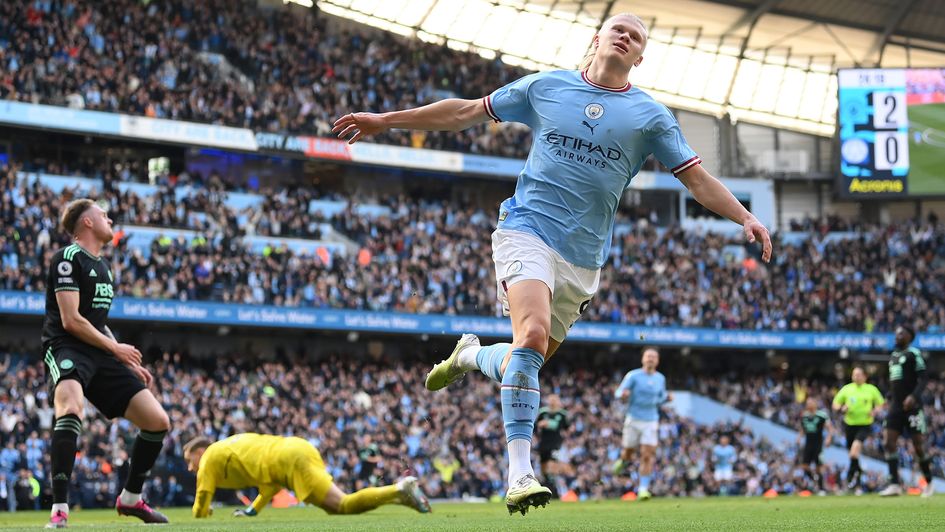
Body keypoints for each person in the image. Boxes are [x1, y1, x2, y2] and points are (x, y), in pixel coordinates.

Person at [334, 12, 772, 515]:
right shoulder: (546, 87)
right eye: (617, 30)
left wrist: (744, 215)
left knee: (527, 356)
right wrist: (385, 121)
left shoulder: (650, 117)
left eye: (636, 37)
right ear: (597, 40)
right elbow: (464, 113)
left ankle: (471, 356)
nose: (625, 37)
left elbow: (696, 180)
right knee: (534, 335)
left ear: (640, 57)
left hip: (584, 259)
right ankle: (519, 473)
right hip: (526, 230)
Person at [41, 199, 170, 528]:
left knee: (157, 421)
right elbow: (71, 320)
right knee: (70, 408)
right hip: (67, 346)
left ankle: (130, 499)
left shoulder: (104, 268)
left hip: (100, 352)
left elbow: (97, 322)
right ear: (86, 222)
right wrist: (116, 348)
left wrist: (122, 359)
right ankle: (59, 508)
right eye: (102, 214)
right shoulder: (67, 259)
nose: (109, 218)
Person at [184, 433, 431, 518]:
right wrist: (252, 511)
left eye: (189, 459)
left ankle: (399, 489)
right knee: (338, 505)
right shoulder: (231, 447)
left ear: (200, 451)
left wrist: (206, 512)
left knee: (341, 505)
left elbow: (200, 506)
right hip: (296, 448)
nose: (190, 467)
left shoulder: (208, 458)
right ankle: (401, 496)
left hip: (289, 461)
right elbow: (268, 486)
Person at [879, 325, 934, 497]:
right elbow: (895, 382)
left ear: (910, 336)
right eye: (896, 333)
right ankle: (895, 484)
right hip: (895, 406)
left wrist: (913, 397)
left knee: (917, 445)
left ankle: (929, 482)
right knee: (888, 442)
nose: (897, 336)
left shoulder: (914, 353)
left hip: (912, 408)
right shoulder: (893, 356)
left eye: (901, 333)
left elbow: (924, 378)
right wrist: (890, 395)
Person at [611, 347, 671, 500]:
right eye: (648, 356)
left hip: (651, 420)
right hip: (633, 419)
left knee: (647, 455)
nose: (650, 358)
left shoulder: (660, 378)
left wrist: (666, 398)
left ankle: (643, 489)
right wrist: (623, 395)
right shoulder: (633, 376)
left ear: (657, 361)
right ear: (643, 359)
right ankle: (624, 461)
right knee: (628, 452)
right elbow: (619, 392)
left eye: (653, 356)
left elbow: (660, 397)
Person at [832, 367, 884, 494]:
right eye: (854, 374)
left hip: (865, 425)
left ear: (865, 376)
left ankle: (850, 479)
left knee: (854, 452)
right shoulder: (847, 389)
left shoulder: (871, 389)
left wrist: (876, 410)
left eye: (859, 374)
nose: (856, 377)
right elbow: (835, 404)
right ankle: (858, 475)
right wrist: (841, 409)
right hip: (849, 425)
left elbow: (880, 403)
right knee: (852, 454)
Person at [797, 397, 833, 495]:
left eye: (810, 403)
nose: (808, 405)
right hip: (808, 444)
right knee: (804, 466)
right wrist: (799, 437)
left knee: (819, 467)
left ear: (815, 404)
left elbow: (830, 428)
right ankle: (814, 480)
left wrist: (829, 438)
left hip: (818, 444)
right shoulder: (804, 416)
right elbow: (802, 428)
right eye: (807, 403)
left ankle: (821, 489)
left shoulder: (822, 415)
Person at [535, 394, 569, 489]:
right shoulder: (542, 412)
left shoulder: (562, 414)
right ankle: (547, 483)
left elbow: (565, 427)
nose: (552, 402)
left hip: (556, 443)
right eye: (551, 400)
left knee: (552, 463)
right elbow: (536, 425)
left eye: (554, 400)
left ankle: (553, 487)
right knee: (544, 464)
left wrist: (548, 423)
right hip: (544, 442)